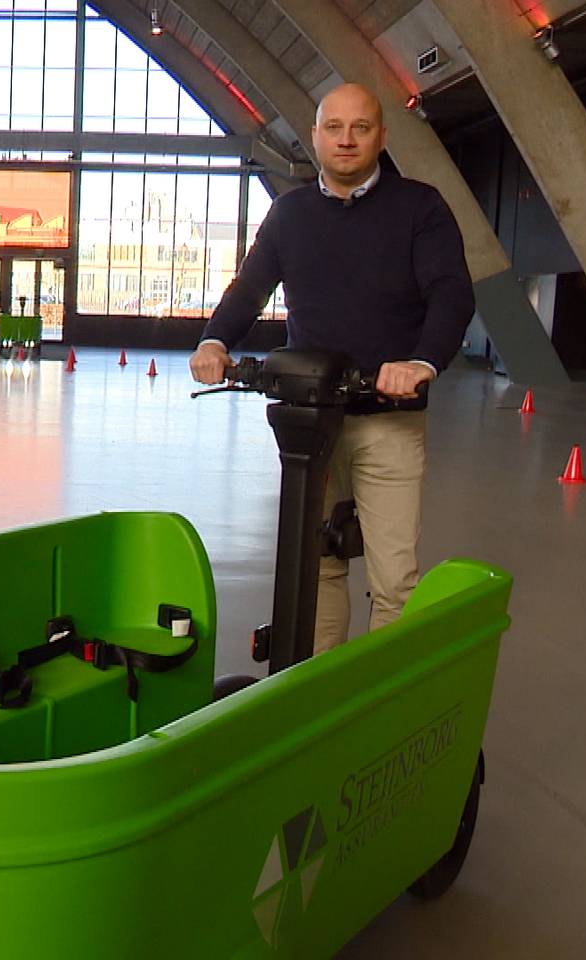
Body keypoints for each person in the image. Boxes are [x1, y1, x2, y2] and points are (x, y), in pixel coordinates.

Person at [189, 82, 475, 653]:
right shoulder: (289, 213)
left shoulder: (420, 208)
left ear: (381, 137)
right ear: (315, 136)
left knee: (393, 579)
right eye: (334, 127)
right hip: (311, 422)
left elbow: (451, 293)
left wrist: (420, 362)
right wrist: (215, 340)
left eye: (360, 127)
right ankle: (315, 689)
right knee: (317, 569)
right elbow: (250, 289)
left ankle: (381, 700)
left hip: (386, 418)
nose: (346, 139)